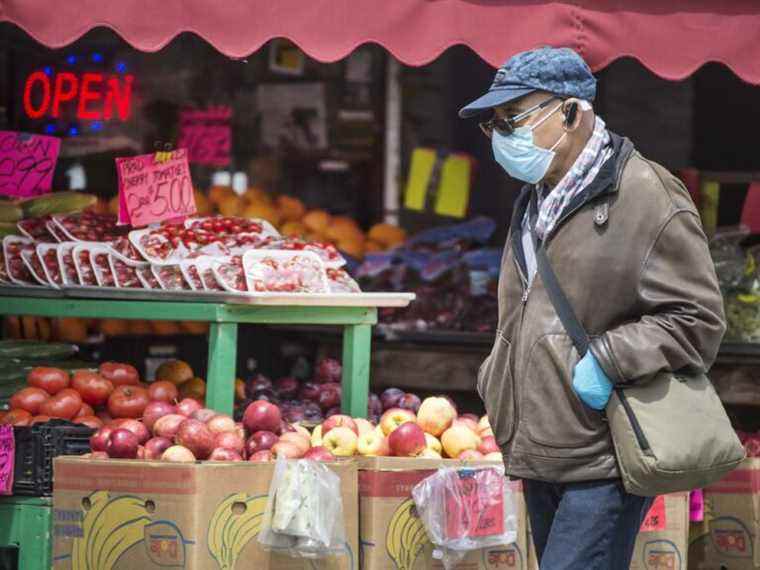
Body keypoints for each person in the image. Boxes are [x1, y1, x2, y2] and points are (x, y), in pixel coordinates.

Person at [460, 46, 725, 569]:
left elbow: (698, 320)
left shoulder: (647, 194)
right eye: (494, 126)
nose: (504, 137)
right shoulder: (536, 197)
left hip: (604, 452)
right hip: (540, 448)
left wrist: (608, 359)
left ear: (572, 112)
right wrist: (498, 378)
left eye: (513, 118)